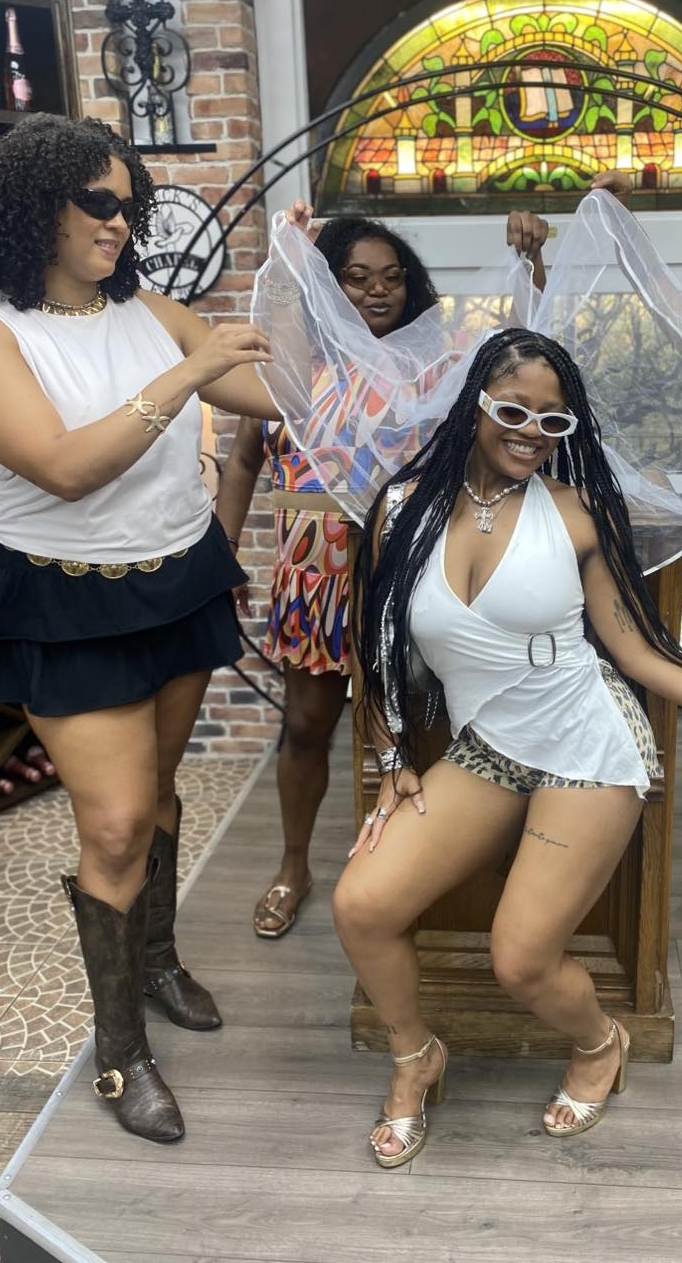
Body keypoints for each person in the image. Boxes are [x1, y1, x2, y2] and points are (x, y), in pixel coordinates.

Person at [332, 326, 682, 1169]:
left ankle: (602, 1044)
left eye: (555, 422)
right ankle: (416, 1056)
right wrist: (392, 758)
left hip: (588, 744)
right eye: (514, 411)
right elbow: (374, 640)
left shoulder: (574, 513)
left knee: (521, 961)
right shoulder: (401, 509)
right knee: (362, 904)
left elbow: (638, 652)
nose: (532, 432)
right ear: (474, 405)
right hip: (489, 747)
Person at [0, 115, 280, 1142]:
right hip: (64, 598)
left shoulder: (151, 310)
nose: (120, 222)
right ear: (34, 200)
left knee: (162, 791)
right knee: (118, 823)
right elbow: (66, 466)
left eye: (130, 204)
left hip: (177, 579)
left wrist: (311, 317)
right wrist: (188, 369)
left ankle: (161, 960)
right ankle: (121, 1054)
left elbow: (270, 393)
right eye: (100, 201)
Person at [217, 208, 549, 939]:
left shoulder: (430, 367)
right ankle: (295, 864)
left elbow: (522, 367)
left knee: (417, 726)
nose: (378, 292)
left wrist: (529, 267)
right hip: (314, 571)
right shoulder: (288, 367)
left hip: (407, 569)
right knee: (306, 724)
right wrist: (222, 551)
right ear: (327, 286)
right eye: (357, 278)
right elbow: (245, 461)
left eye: (393, 279)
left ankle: (407, 877)